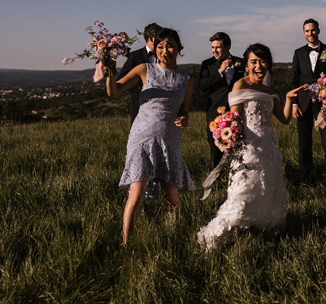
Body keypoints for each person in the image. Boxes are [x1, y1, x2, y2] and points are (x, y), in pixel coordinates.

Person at [198, 43, 306, 251]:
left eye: (262, 61)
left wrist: (290, 98)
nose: (258, 66)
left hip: (268, 148)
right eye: (254, 62)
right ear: (247, 65)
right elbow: (234, 117)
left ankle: (260, 228)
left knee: (266, 189)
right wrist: (233, 141)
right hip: (248, 146)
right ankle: (218, 235)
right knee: (243, 190)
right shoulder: (240, 85)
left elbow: (283, 119)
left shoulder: (268, 90)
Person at [105, 27, 195, 245]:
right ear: (155, 48)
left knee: (170, 195)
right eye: (161, 46)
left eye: (170, 45)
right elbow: (113, 91)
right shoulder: (144, 69)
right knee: (137, 192)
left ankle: (176, 235)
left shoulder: (186, 80)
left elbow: (184, 111)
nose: (166, 50)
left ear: (179, 48)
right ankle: (127, 243)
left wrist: (184, 119)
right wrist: (109, 70)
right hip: (141, 138)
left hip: (169, 140)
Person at [290, 18, 326, 187]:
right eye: (306, 31)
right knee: (304, 144)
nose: (310, 33)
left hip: (323, 105)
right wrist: (294, 104)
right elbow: (294, 81)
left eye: (312, 30)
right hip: (303, 104)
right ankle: (307, 181)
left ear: (318, 31)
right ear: (303, 33)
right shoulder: (298, 53)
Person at [199, 32, 245, 168]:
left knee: (238, 150)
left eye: (218, 47)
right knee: (216, 152)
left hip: (237, 113)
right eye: (212, 47)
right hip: (215, 115)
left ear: (228, 46)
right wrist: (219, 71)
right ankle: (217, 185)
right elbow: (202, 86)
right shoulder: (207, 64)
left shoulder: (241, 62)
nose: (215, 50)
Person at [116, 23, 162, 126]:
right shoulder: (135, 56)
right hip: (139, 109)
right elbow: (121, 79)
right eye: (160, 37)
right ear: (151, 38)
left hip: (161, 108)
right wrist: (142, 88)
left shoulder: (164, 55)